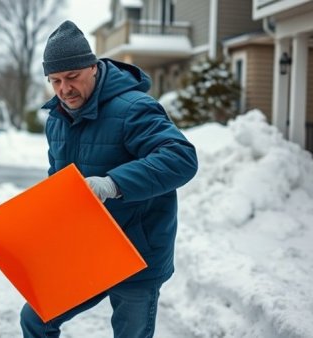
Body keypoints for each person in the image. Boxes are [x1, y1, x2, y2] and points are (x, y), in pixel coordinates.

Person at [19, 20, 198, 338]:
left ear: (93, 67)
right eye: (55, 80)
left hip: (137, 252)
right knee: (36, 318)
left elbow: (181, 158)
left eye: (72, 76)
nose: (64, 89)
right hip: (90, 248)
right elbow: (59, 180)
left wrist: (112, 184)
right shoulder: (57, 120)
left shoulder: (134, 109)